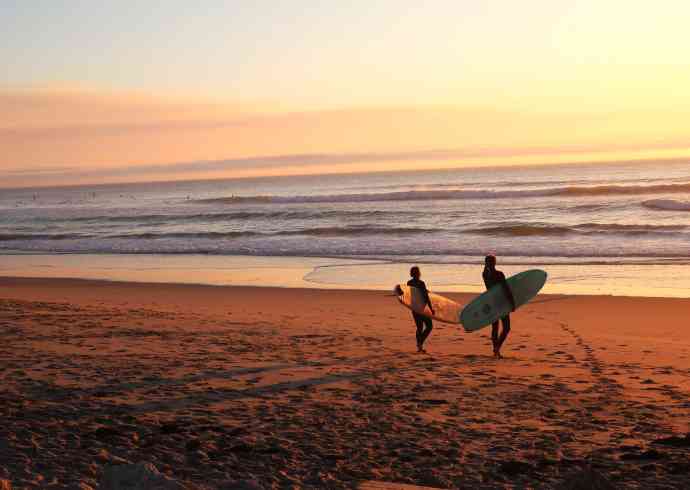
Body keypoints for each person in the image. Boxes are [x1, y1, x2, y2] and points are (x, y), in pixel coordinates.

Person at [482, 255, 516, 358]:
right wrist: (512, 303)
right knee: (506, 327)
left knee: (495, 327)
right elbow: (506, 289)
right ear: (494, 262)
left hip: (491, 302)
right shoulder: (499, 274)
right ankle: (497, 348)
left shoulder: (484, 274)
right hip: (501, 302)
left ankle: (495, 350)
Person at [407, 266, 435, 353]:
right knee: (429, 326)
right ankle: (420, 343)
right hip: (421, 308)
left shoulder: (409, 282)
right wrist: (431, 308)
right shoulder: (421, 283)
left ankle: (419, 346)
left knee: (419, 327)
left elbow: (407, 295)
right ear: (418, 273)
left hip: (414, 308)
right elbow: (425, 297)